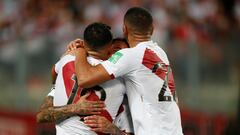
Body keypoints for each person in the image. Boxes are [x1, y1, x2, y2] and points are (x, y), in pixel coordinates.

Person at [71, 7, 183, 135]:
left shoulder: (130, 55)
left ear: (124, 29)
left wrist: (80, 48)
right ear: (152, 29)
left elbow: (84, 79)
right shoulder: (160, 52)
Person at [37, 23, 133, 135]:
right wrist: (75, 108)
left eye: (123, 53)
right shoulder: (119, 81)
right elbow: (41, 116)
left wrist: (115, 131)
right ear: (108, 48)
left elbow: (54, 71)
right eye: (116, 49)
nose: (117, 55)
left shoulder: (67, 60)